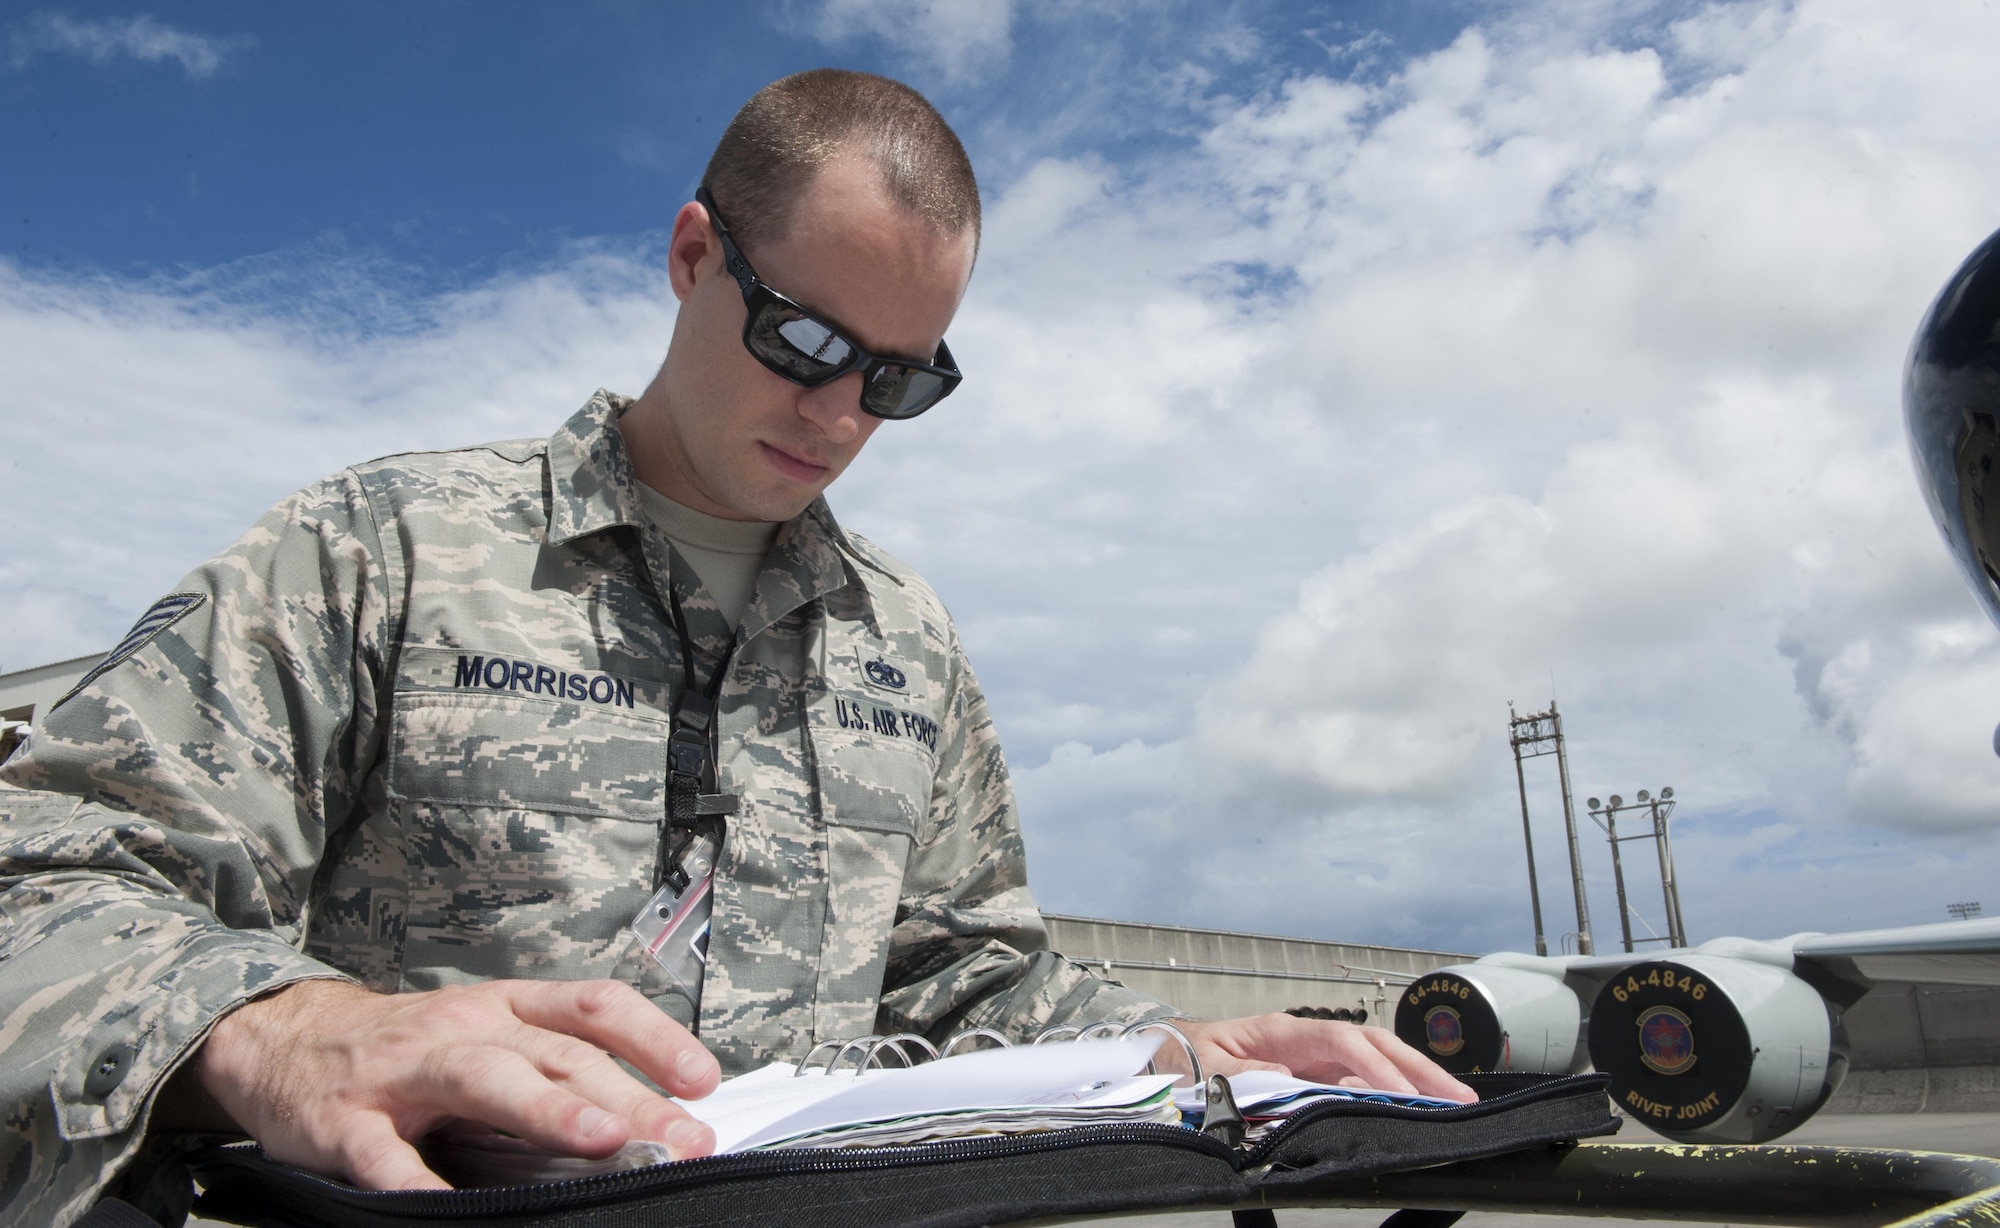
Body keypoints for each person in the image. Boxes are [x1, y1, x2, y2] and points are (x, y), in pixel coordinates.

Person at [0, 69, 1472, 1227]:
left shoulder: (906, 642)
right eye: (810, 345)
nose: (840, 418)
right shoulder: (381, 551)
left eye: (899, 380)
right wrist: (283, 1028)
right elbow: (44, 874)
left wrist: (1181, 1053)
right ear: (695, 255)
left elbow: (970, 990)